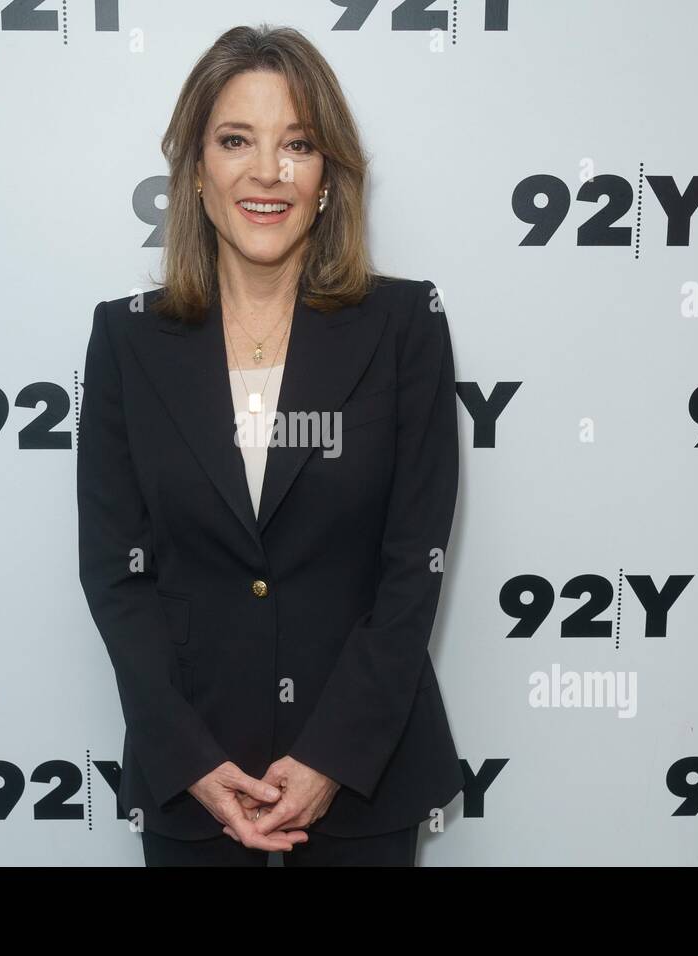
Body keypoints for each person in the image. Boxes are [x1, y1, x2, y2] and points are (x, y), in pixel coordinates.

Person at [77, 23, 464, 866]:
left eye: (298, 144)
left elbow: (412, 566)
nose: (267, 172)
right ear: (196, 172)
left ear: (328, 177)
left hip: (363, 782)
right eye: (235, 140)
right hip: (195, 793)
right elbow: (114, 572)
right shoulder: (127, 341)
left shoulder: (405, 327)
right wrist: (191, 761)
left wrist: (331, 758)